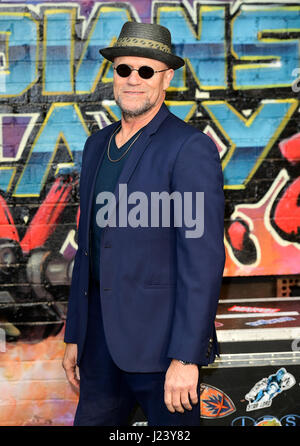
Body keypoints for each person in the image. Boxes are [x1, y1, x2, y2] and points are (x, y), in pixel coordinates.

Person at [62, 21, 225, 426]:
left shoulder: (188, 147)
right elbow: (90, 247)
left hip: (162, 348)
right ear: (113, 75)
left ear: (166, 78)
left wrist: (187, 356)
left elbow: (202, 262)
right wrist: (74, 334)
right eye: (124, 70)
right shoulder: (96, 145)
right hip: (98, 344)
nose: (133, 80)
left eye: (146, 71)